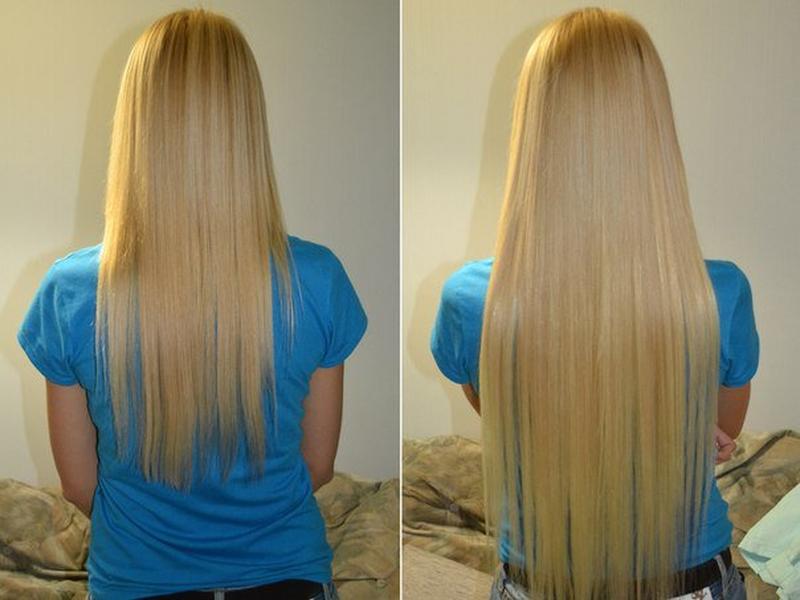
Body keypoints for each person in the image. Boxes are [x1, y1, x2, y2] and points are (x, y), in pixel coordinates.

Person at [17, 9, 366, 600]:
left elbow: (79, 486)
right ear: (246, 122)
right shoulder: (316, 279)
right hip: (288, 577)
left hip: (136, 582)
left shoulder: (70, 293)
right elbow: (317, 466)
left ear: (136, 124)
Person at [431, 7, 758, 600]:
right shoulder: (715, 295)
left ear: (534, 124)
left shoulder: (476, 301)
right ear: (653, 124)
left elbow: (502, 414)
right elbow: (716, 437)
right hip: (689, 582)